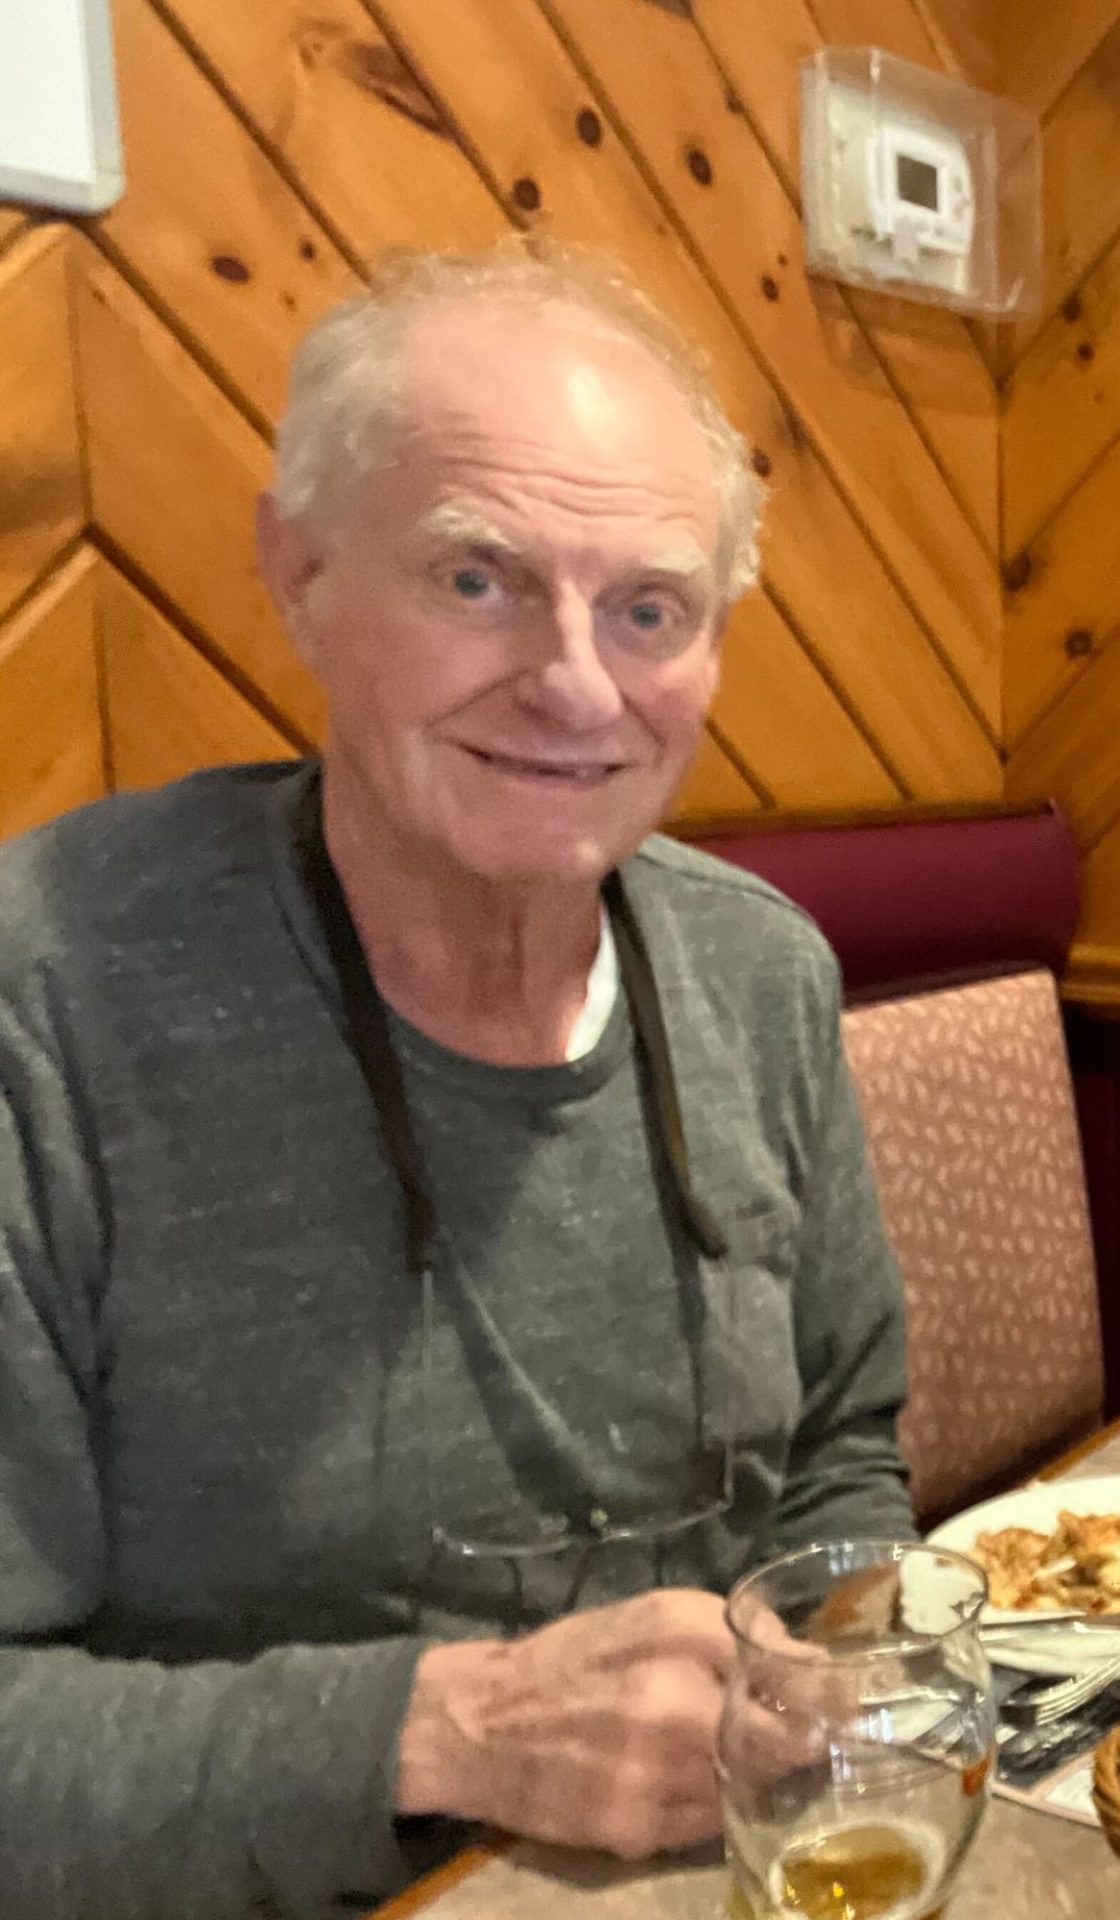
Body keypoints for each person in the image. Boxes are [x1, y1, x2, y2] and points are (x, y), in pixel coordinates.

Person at [0, 244, 913, 1917]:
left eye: (649, 608)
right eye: (478, 578)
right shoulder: (47, 1002)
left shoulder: (762, 975)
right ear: (298, 571)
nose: (574, 685)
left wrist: (828, 1654)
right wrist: (445, 1734)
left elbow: (849, 1455)